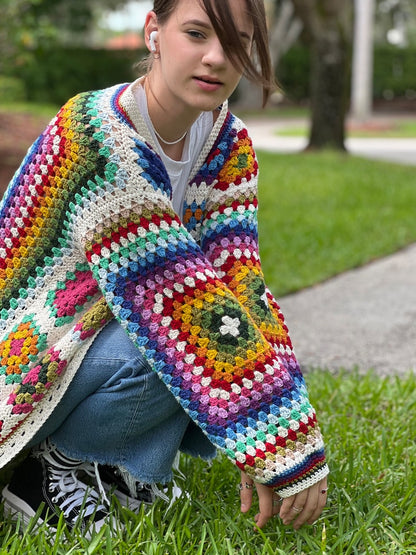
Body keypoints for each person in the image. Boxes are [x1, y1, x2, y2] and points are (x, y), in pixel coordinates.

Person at [0, 0, 329, 537]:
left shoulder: (227, 140)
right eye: (196, 33)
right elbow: (174, 295)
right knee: (181, 335)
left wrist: (289, 430)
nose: (217, 59)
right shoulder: (97, 136)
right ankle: (50, 476)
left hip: (99, 334)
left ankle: (123, 470)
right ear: (153, 31)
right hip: (32, 347)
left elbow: (241, 283)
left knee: (232, 323)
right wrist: (283, 451)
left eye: (238, 43)